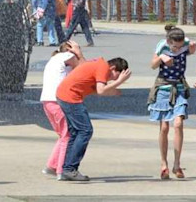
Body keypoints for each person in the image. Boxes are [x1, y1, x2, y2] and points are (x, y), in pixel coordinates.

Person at [54, 53, 132, 182]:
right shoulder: (103, 67)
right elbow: (101, 90)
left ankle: (66, 169)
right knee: (85, 131)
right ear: (112, 68)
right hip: (70, 97)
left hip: (64, 94)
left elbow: (97, 89)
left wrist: (113, 90)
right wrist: (119, 82)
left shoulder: (99, 65)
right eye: (115, 76)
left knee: (76, 133)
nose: (112, 80)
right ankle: (70, 169)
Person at [151, 25, 193, 179]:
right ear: (168, 42)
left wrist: (192, 46)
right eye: (174, 47)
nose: (176, 50)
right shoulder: (162, 46)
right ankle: (164, 164)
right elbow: (152, 64)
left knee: (178, 124)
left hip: (180, 86)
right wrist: (161, 58)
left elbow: (192, 50)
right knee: (164, 127)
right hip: (163, 87)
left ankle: (177, 164)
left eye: (179, 47)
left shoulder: (184, 45)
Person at [39, 42, 80, 177]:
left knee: (63, 135)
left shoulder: (54, 60)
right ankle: (62, 170)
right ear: (69, 50)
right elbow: (82, 67)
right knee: (67, 136)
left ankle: (52, 165)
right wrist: (78, 51)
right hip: (58, 102)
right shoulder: (66, 56)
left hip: (47, 101)